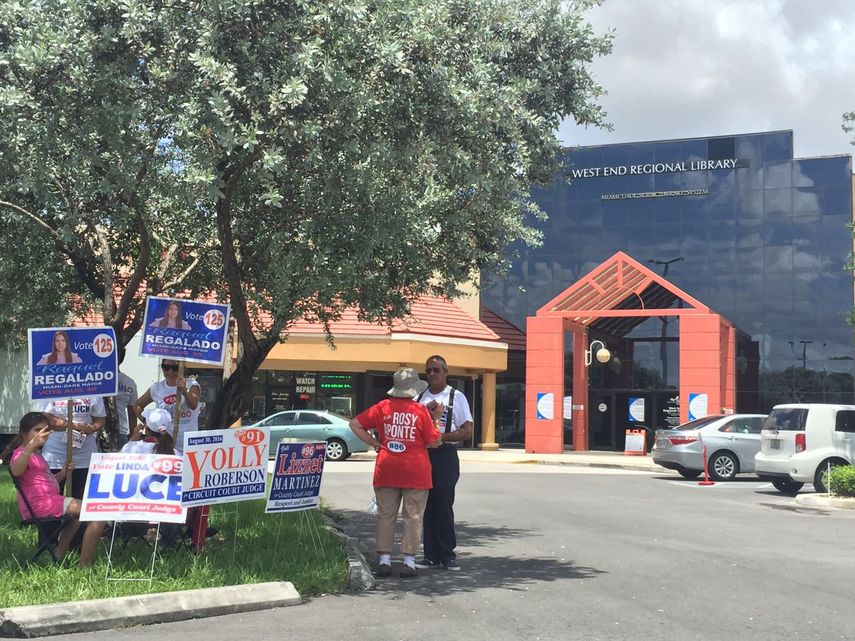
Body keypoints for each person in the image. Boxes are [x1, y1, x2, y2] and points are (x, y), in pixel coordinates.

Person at [349, 367, 442, 578]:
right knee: (413, 517)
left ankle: (384, 560)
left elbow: (355, 424)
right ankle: (409, 562)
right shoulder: (420, 411)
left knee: (386, 515)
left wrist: (375, 443)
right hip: (416, 472)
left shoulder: (383, 407)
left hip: (387, 468)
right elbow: (435, 441)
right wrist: (436, 418)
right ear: (414, 390)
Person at [1, 412, 106, 566]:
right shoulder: (22, 453)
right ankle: (85, 564)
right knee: (97, 514)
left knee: (76, 519)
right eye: (37, 430)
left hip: (49, 500)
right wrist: (30, 446)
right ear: (24, 433)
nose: (43, 434)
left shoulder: (36, 454)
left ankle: (59, 554)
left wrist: (63, 473)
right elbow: (16, 470)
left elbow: (46, 481)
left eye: (46, 430)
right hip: (42, 505)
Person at [415, 355, 473, 572]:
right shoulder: (419, 398)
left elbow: (467, 430)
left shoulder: (456, 397)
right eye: (428, 370)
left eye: (436, 370)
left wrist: (443, 438)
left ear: (446, 372)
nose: (432, 374)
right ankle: (430, 555)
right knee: (426, 505)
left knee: (444, 504)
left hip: (445, 455)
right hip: (423, 456)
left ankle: (448, 554)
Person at [36, 396, 106, 500]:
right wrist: (75, 425)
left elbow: (100, 419)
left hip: (84, 454)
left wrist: (90, 428)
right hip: (55, 453)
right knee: (52, 495)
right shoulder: (52, 389)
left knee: (80, 497)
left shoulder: (93, 390)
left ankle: (74, 516)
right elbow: (45, 419)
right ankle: (57, 516)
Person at [134, 359, 200, 454]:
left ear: (182, 368)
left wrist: (184, 390)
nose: (170, 372)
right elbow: (137, 405)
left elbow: (193, 405)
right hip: (165, 446)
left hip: (188, 445)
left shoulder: (192, 385)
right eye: (166, 368)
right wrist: (149, 423)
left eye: (175, 368)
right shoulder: (156, 388)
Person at [115, 346, 139, 450]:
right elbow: (132, 413)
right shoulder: (130, 382)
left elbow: (132, 412)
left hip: (119, 432)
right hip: (122, 432)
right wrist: (132, 436)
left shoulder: (96, 379)